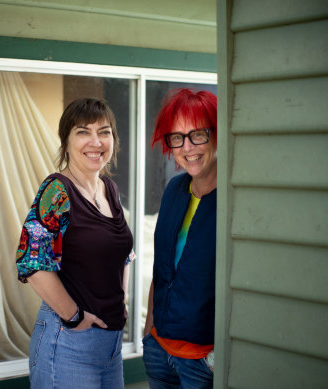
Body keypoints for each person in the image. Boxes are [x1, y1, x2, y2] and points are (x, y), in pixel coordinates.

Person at [16, 97, 135, 389]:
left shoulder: (109, 188)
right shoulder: (57, 191)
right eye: (83, 131)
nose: (96, 141)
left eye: (104, 131)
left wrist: (123, 301)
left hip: (111, 343)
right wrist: (74, 316)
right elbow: (32, 262)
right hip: (69, 342)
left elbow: (124, 255)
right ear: (65, 141)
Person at [142, 88, 217, 389]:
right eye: (177, 137)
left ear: (216, 134)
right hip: (159, 351)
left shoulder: (234, 198)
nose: (188, 147)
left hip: (203, 361)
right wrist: (149, 330)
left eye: (197, 134)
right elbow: (161, 267)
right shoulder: (175, 190)